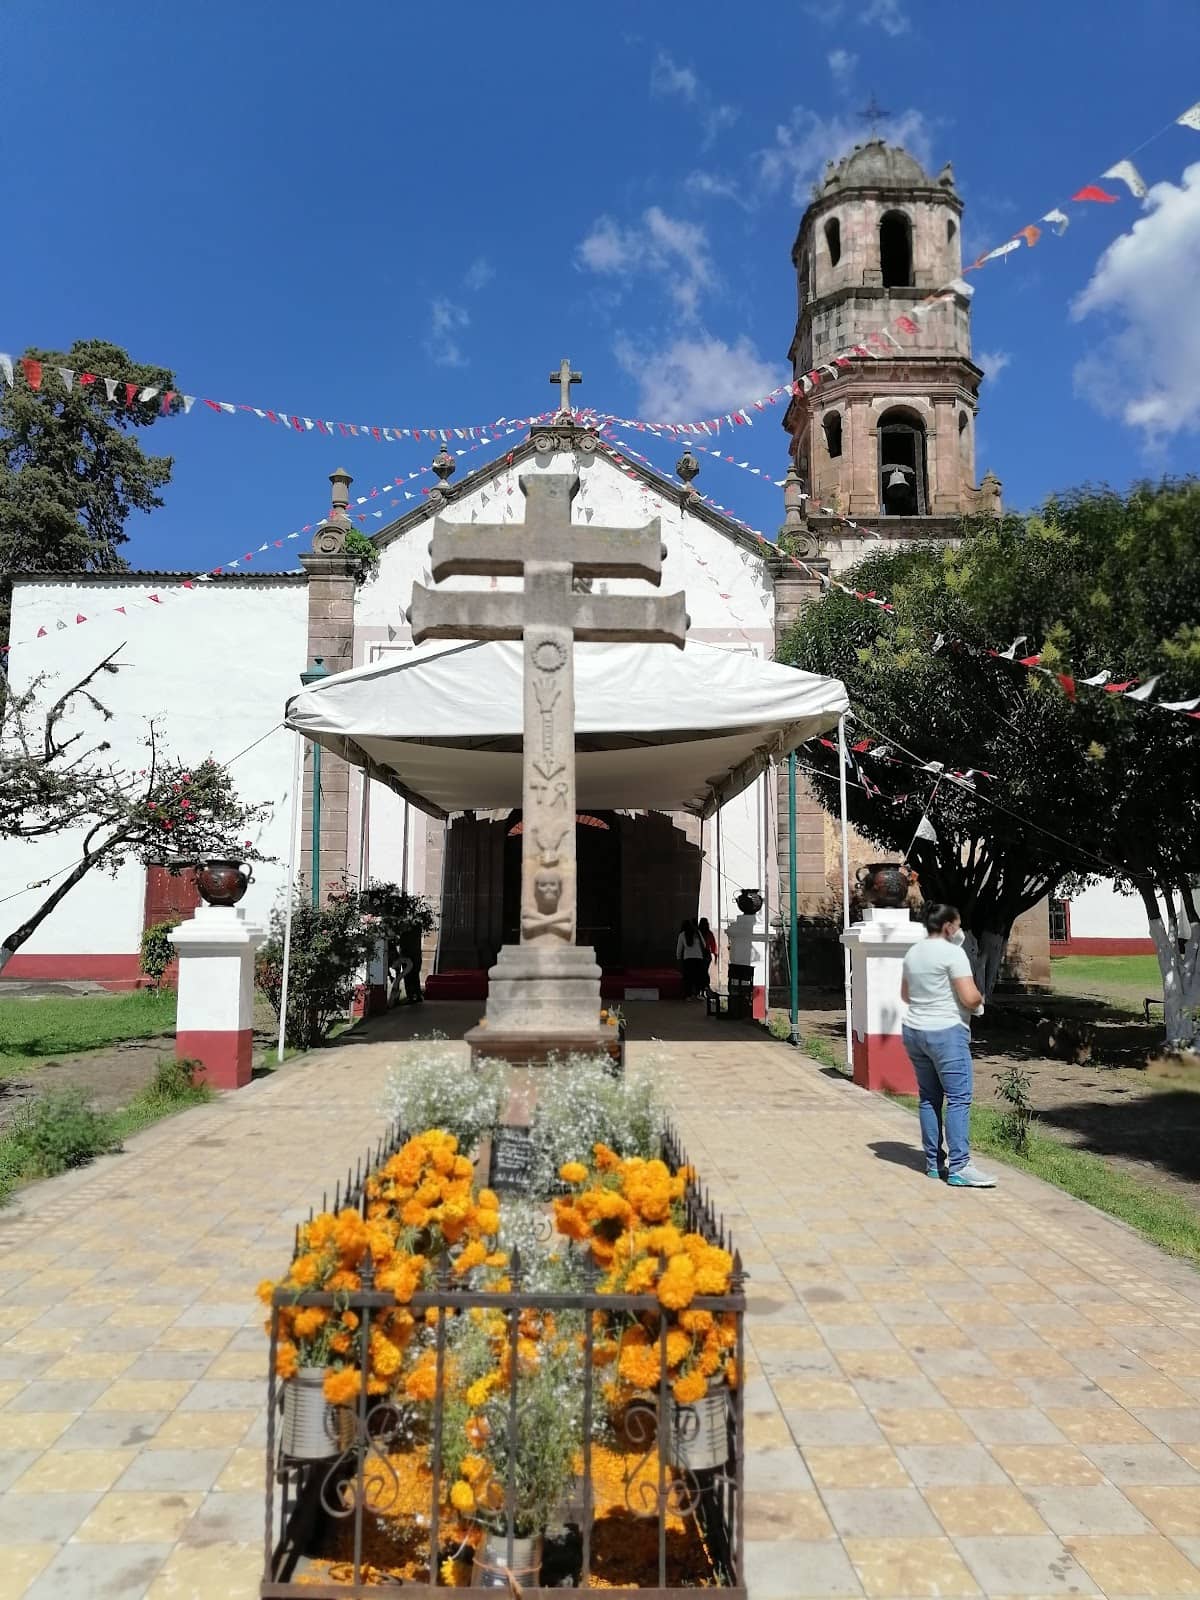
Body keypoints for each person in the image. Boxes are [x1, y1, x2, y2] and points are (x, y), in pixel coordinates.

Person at [900, 903, 995, 1188]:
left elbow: (905, 995)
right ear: (948, 927)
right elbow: (969, 996)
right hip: (946, 1032)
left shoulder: (913, 952)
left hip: (914, 1031)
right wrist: (979, 1001)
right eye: (958, 925)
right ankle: (960, 1165)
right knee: (958, 1098)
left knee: (929, 1097)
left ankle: (933, 1163)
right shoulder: (953, 953)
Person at [676, 919, 708, 999]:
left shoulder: (682, 935)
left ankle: (688, 995)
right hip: (698, 958)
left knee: (688, 977)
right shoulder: (697, 933)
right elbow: (704, 945)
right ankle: (698, 994)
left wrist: (678, 958)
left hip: (688, 959)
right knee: (698, 977)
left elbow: (679, 948)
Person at [697, 917, 718, 995]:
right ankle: (705, 988)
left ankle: (700, 989)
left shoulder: (698, 933)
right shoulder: (709, 933)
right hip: (707, 954)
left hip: (699, 954)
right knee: (705, 971)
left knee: (700, 972)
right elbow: (713, 945)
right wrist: (715, 955)